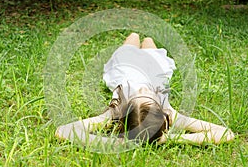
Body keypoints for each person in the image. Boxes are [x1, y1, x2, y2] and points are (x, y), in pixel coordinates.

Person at [55, 33, 234, 147]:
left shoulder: (113, 114)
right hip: (155, 69)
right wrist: (167, 139)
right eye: (147, 96)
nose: (141, 88)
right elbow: (226, 134)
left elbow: (63, 131)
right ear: (160, 109)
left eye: (138, 96)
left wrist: (118, 142)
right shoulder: (170, 114)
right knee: (148, 41)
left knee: (133, 37)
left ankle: (135, 36)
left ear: (125, 109)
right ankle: (144, 39)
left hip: (124, 65)